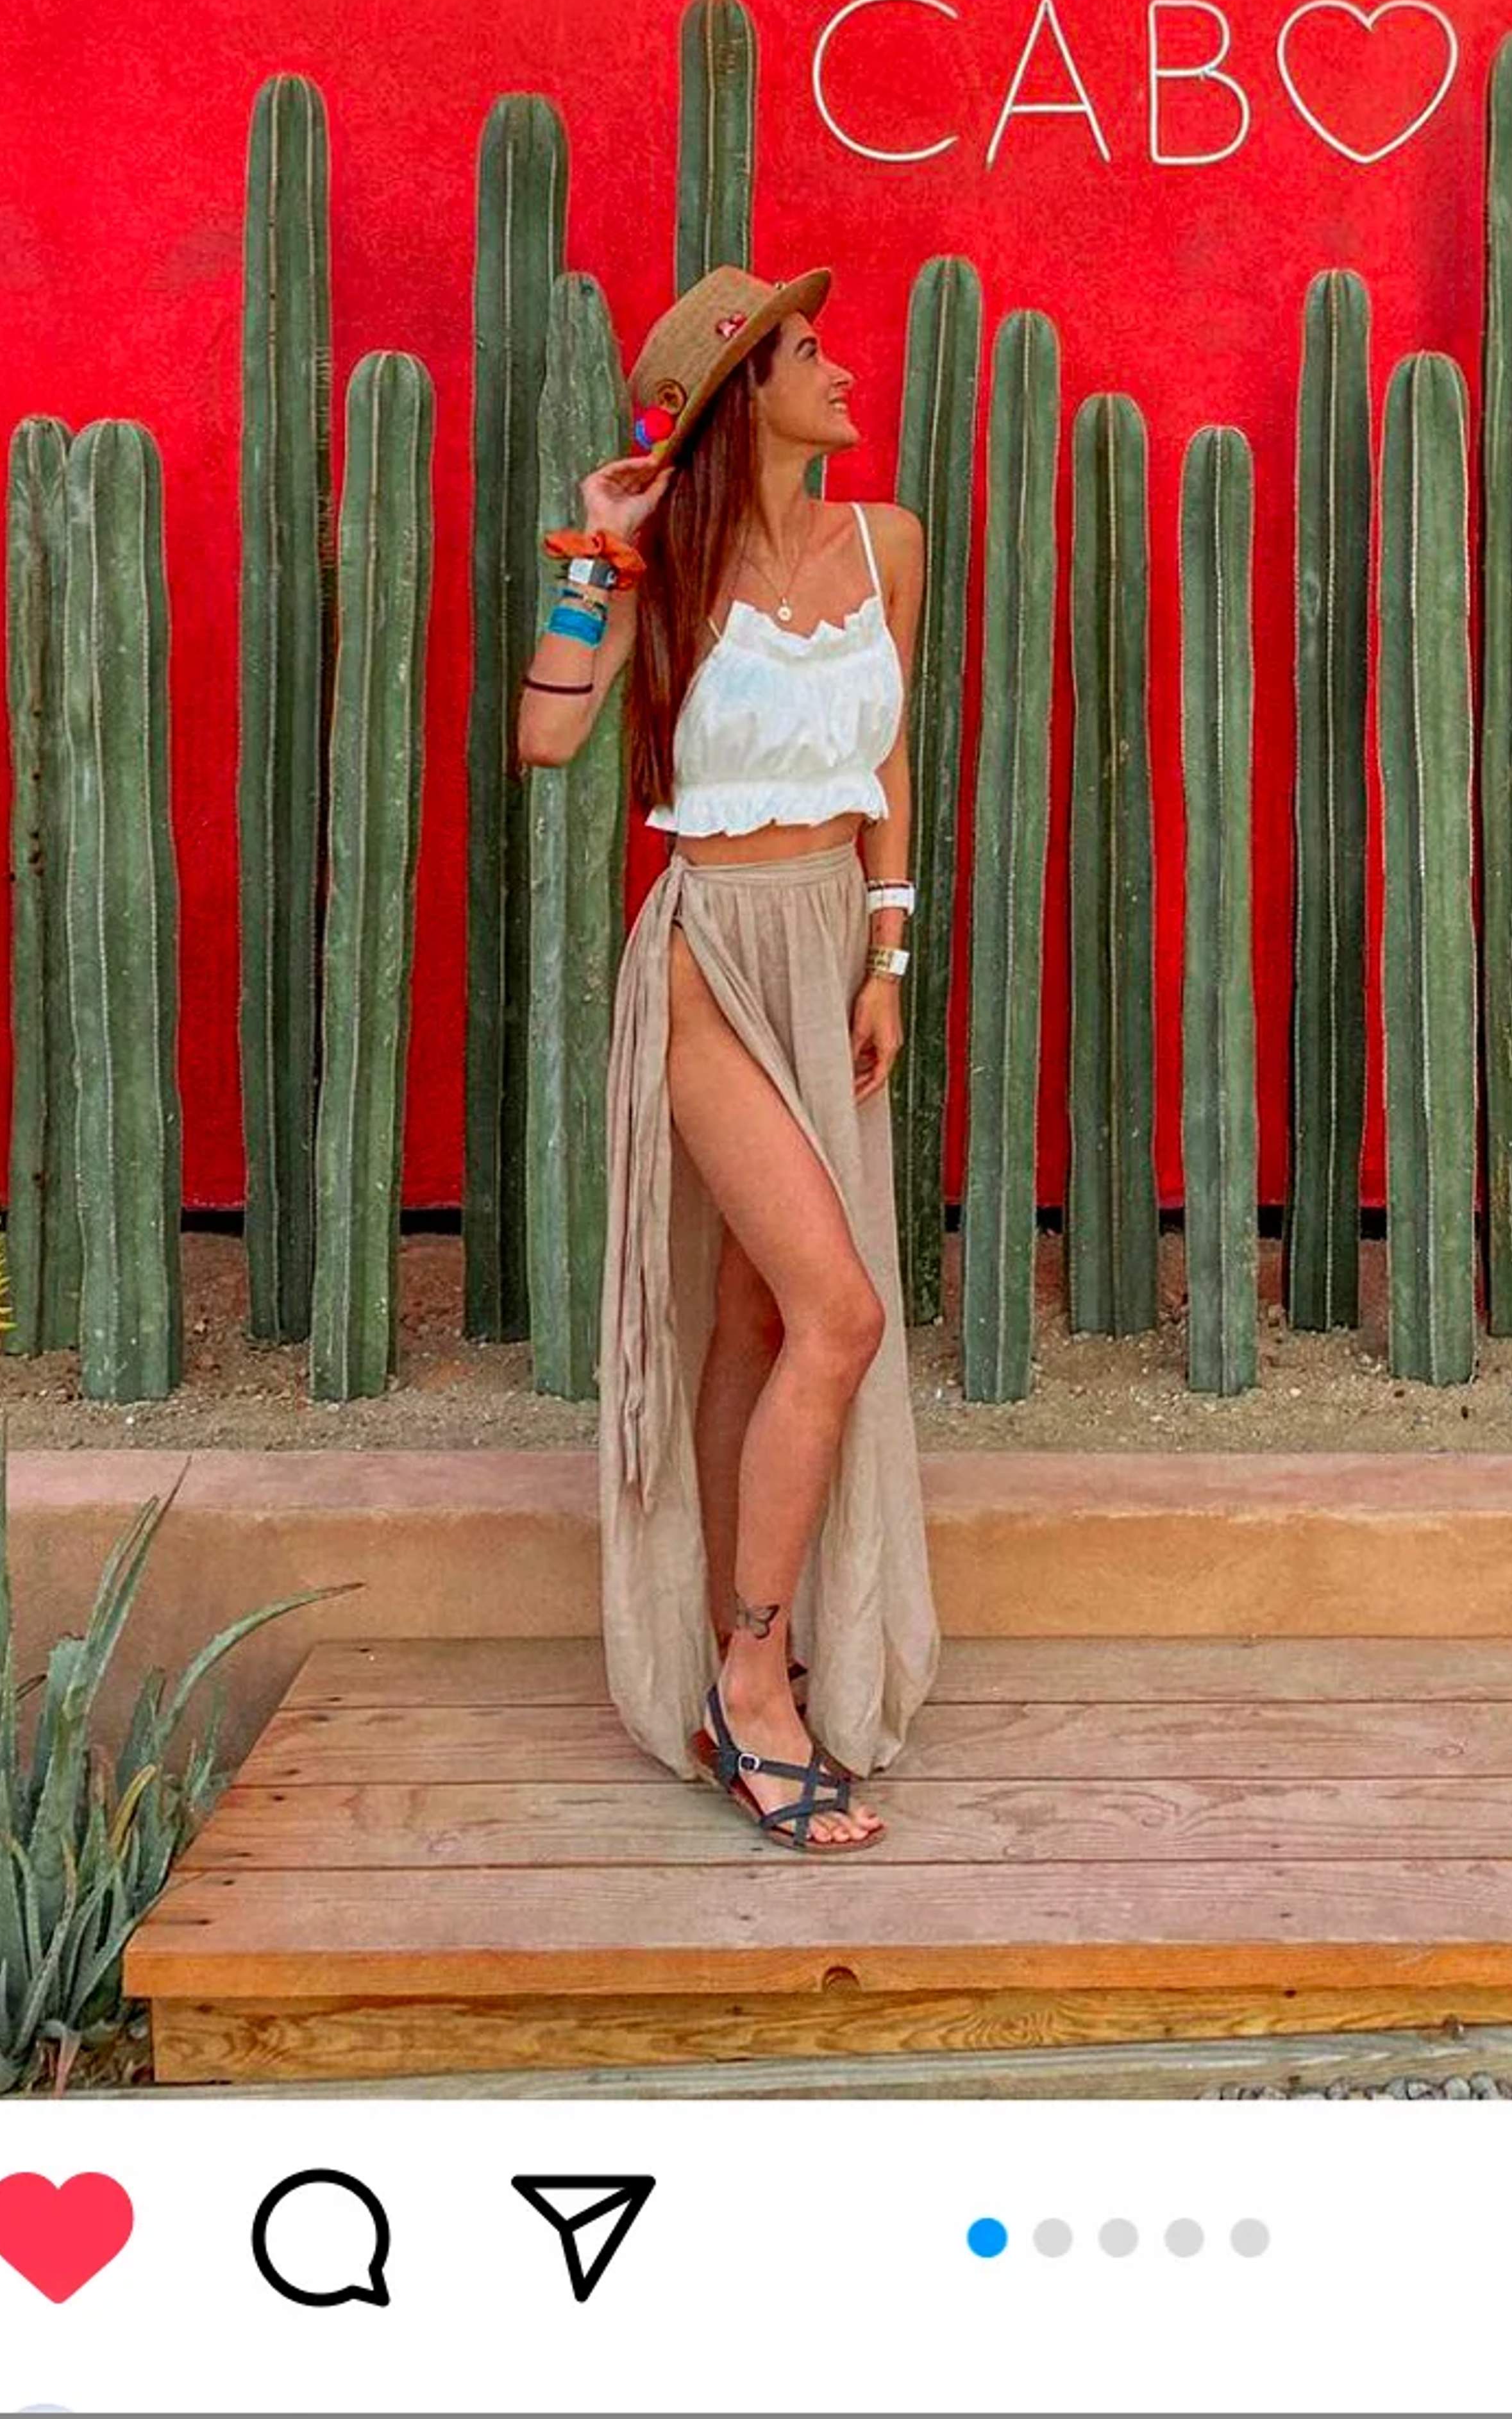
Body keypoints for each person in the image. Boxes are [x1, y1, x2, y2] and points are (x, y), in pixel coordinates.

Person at [517, 260, 939, 1852]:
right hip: (710, 951)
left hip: (832, 930)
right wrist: (595, 547)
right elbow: (548, 734)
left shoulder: (883, 543)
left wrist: (891, 945)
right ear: (742, 392)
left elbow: (887, 749)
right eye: (811, 352)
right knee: (839, 1312)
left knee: (768, 1311)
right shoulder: (667, 566)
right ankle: (752, 1680)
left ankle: (727, 1638)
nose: (843, 371)